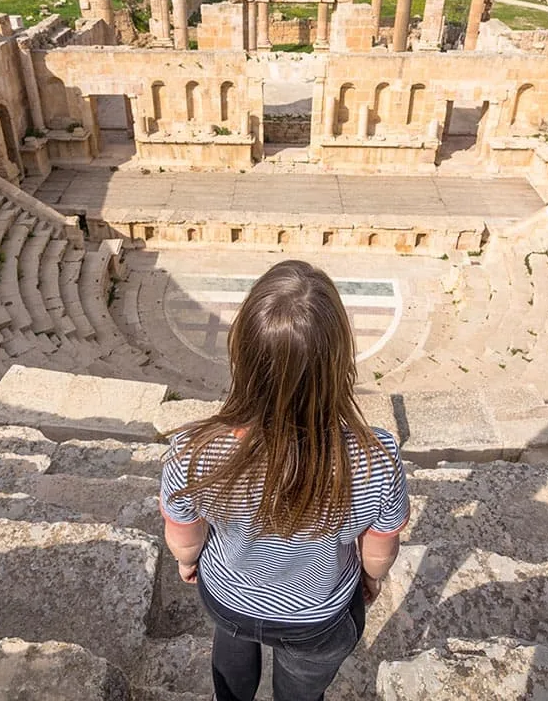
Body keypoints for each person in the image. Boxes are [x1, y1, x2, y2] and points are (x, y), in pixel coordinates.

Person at [160, 260, 409, 701]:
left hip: (229, 594)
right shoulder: (377, 458)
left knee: (233, 642)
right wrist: (372, 579)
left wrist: (186, 563)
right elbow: (379, 547)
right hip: (319, 614)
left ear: (242, 353)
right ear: (339, 362)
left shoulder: (193, 450)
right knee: (301, 690)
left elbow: (184, 537)